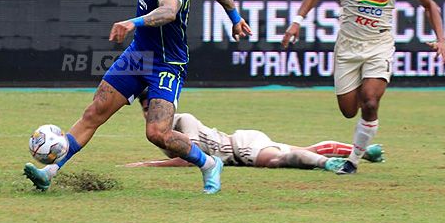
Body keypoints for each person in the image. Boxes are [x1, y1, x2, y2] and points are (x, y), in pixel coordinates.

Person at [23, 0, 252, 194]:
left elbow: (168, 11)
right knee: (94, 112)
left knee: (158, 134)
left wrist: (132, 22)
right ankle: (49, 172)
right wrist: (235, 17)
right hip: (137, 56)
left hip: (167, 65)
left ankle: (210, 164)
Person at [281, 0, 445, 175]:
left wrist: (441, 40)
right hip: (347, 47)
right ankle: (364, 120)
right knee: (348, 110)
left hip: (379, 45)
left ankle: (353, 161)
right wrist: (297, 21)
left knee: (370, 102)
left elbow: (430, 5)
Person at [125, 89, 384, 170]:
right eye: (147, 109)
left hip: (239, 147)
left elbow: (189, 157)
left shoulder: (183, 120)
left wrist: (149, 165)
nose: (152, 113)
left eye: (156, 107)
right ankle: (361, 151)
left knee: (277, 160)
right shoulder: (157, 132)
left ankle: (329, 164)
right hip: (240, 145)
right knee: (297, 151)